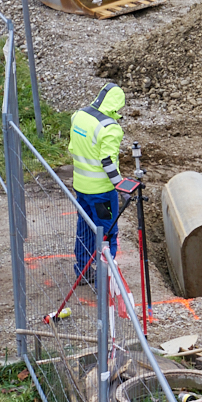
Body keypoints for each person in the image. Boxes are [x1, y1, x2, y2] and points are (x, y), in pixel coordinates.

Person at [69, 83, 126, 283]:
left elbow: (73, 147)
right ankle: (106, 276)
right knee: (107, 232)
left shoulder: (79, 116)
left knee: (84, 229)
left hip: (81, 187)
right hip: (102, 193)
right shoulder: (110, 128)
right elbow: (108, 162)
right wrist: (121, 187)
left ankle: (83, 271)